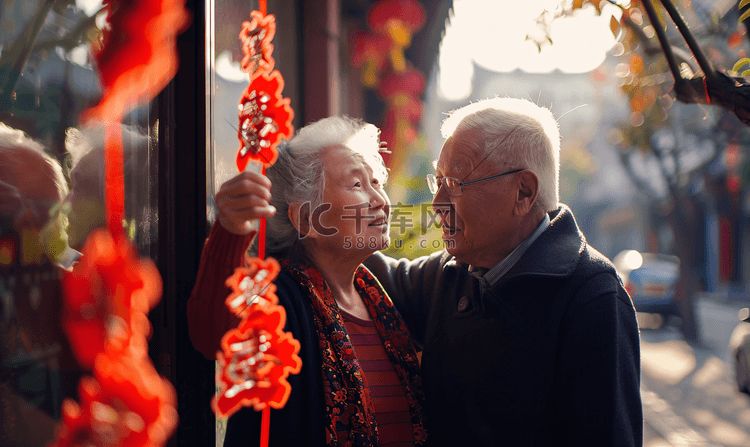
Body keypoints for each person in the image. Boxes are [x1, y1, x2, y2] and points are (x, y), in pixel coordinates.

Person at [363, 97, 643, 446]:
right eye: (438, 183)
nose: (437, 205)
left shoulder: (591, 297)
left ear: (523, 191)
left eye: (455, 184)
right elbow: (375, 280)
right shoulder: (451, 273)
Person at [188, 116, 427, 447]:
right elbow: (216, 334)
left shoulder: (382, 300)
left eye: (377, 183)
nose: (380, 202)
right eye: (358, 186)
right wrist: (230, 229)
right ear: (306, 219)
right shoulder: (278, 299)